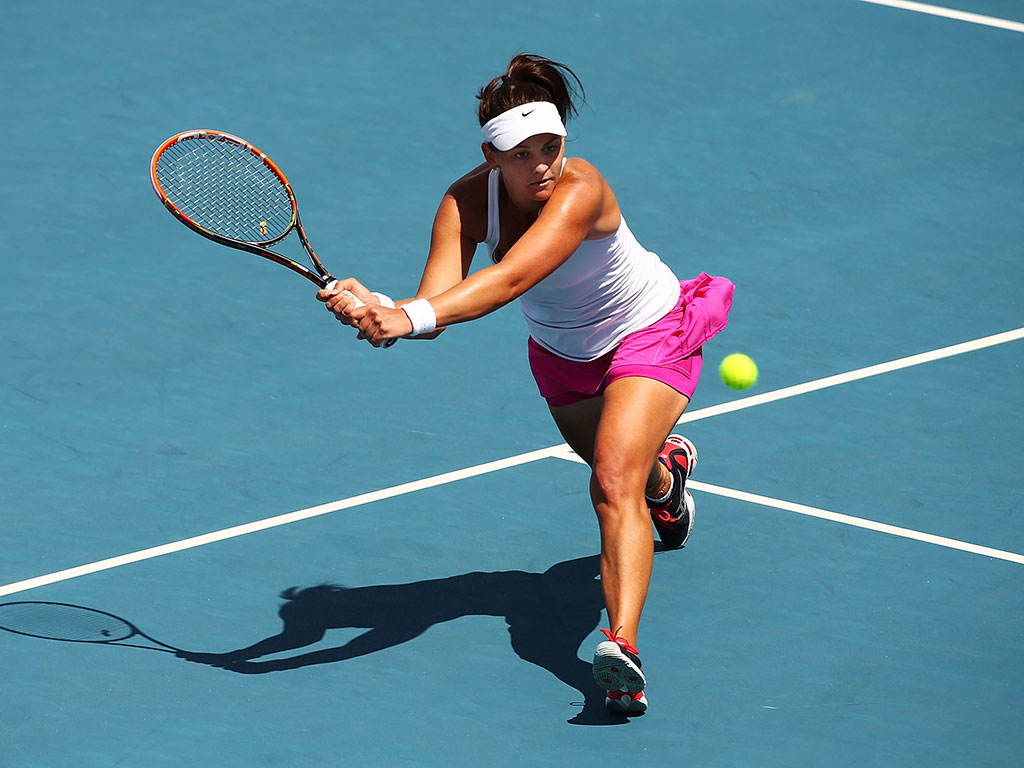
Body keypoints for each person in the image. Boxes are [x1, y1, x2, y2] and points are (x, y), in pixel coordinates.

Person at [318, 54, 734, 716]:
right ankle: (668, 479)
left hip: (649, 332)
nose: (542, 163)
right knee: (629, 474)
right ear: (491, 153)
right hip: (564, 355)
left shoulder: (582, 189)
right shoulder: (464, 203)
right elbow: (436, 309)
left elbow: (507, 281)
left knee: (609, 481)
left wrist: (403, 315)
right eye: (523, 152)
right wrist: (378, 311)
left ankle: (621, 646)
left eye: (552, 146)